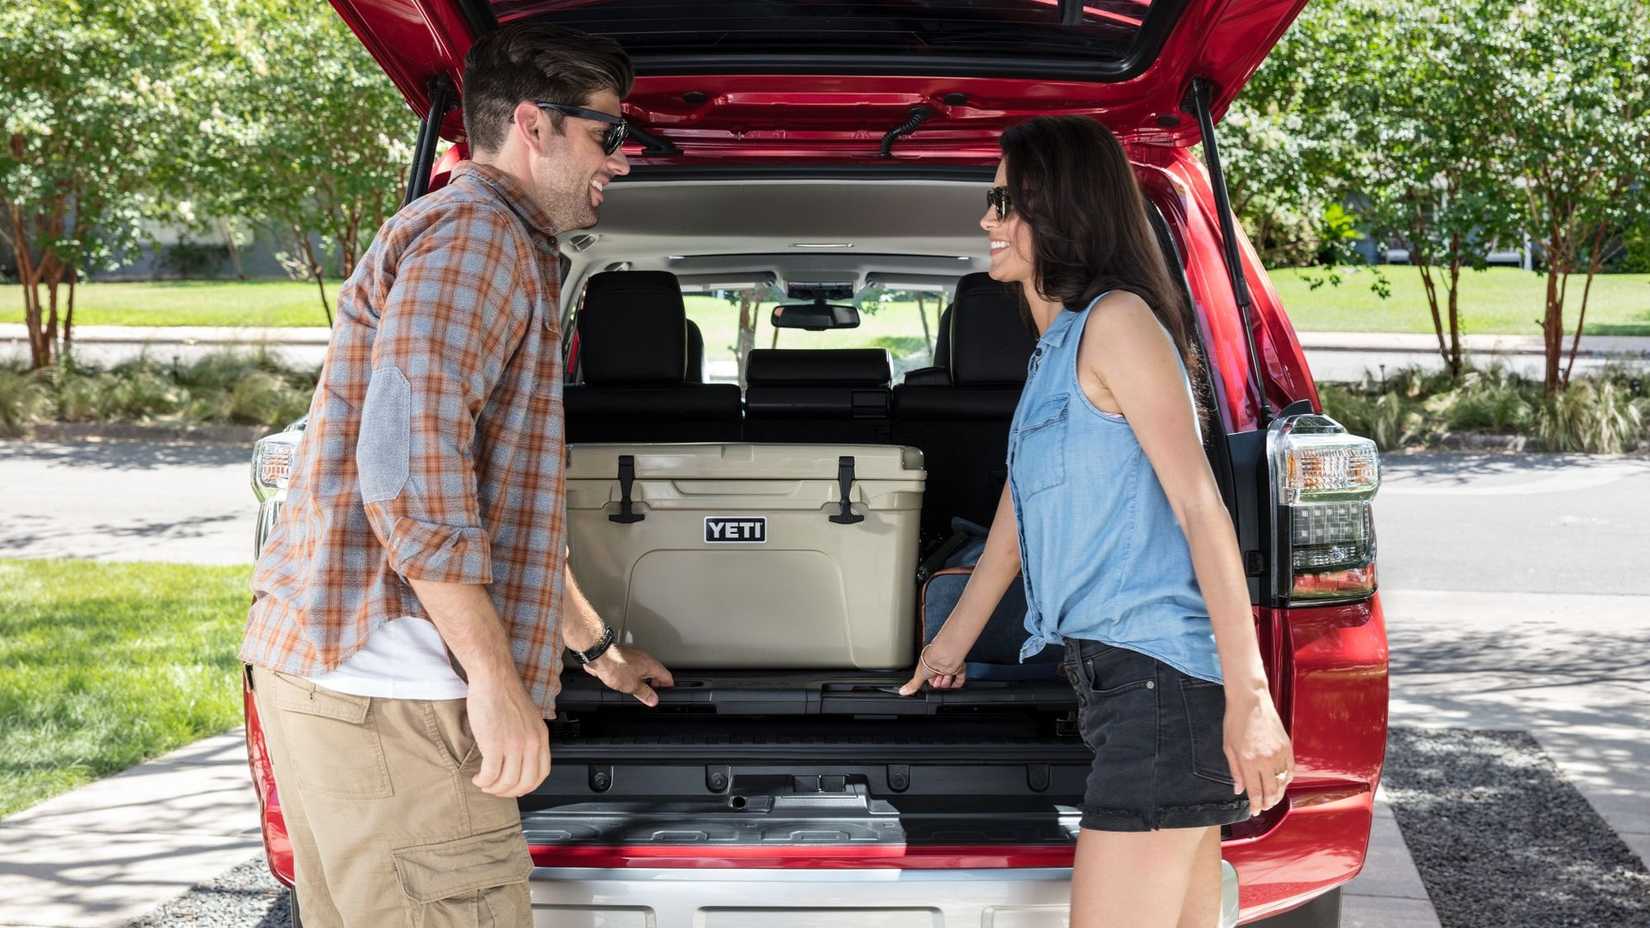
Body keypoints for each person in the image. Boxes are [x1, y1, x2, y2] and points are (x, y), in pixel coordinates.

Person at [240, 22, 672, 927]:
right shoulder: (477, 238)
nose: (620, 159)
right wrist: (495, 682)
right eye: (608, 133)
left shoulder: (484, 236)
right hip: (397, 693)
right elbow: (406, 469)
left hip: (355, 685)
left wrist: (596, 649)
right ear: (533, 125)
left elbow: (494, 509)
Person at [898, 115, 1294, 928]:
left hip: (1160, 687)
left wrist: (1252, 699)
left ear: (1062, 209)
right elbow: (1017, 521)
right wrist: (948, 644)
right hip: (1128, 688)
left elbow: (1200, 507)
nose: (986, 219)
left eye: (1004, 202)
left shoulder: (1118, 324)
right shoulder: (1056, 351)